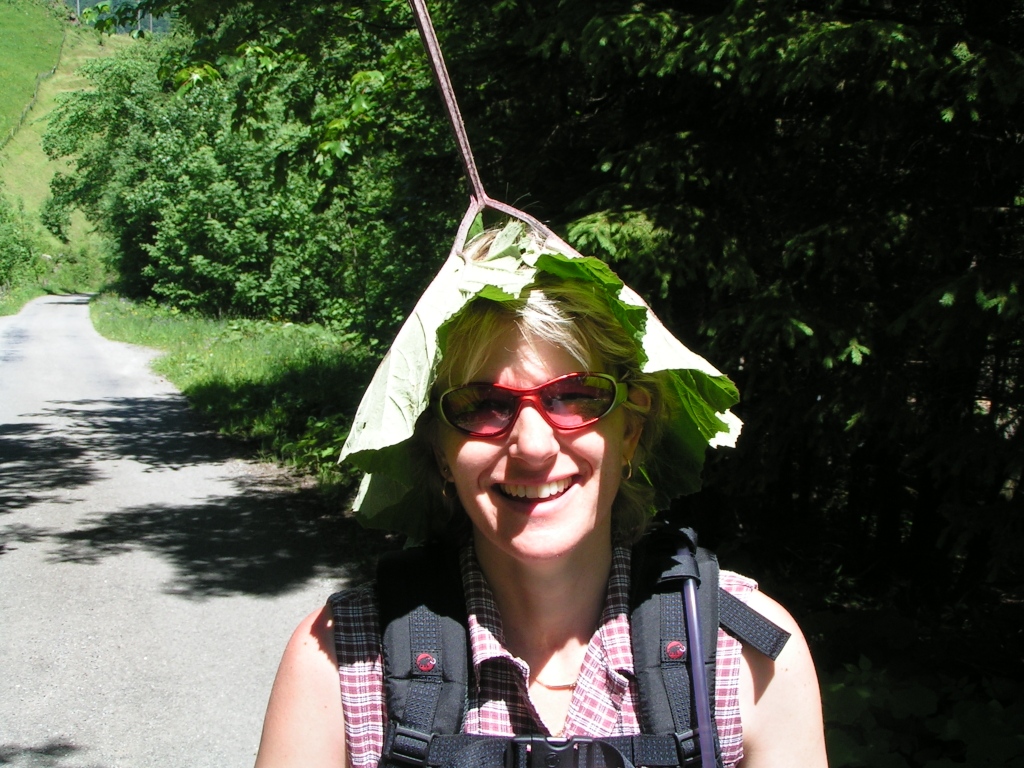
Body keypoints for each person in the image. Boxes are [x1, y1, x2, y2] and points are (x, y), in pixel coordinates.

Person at [253, 222, 829, 768]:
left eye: (575, 396)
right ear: (440, 452)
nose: (532, 446)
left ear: (629, 433)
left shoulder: (745, 656)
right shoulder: (340, 662)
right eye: (482, 405)